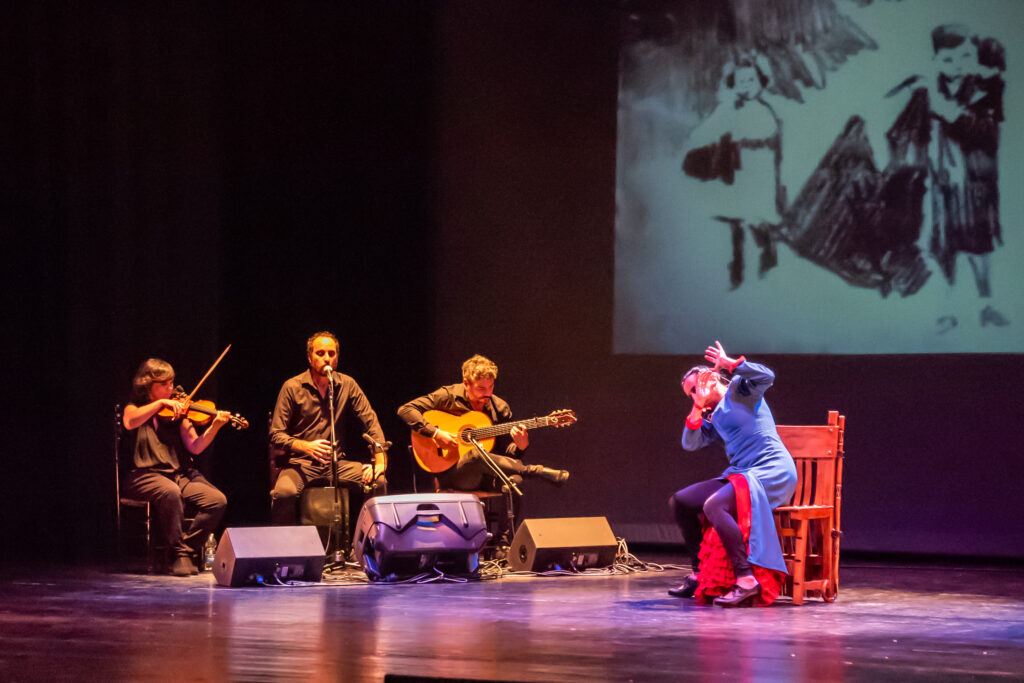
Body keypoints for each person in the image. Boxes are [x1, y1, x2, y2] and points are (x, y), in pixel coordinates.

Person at [886, 24, 1007, 331]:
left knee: (980, 247)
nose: (957, 65)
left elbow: (986, 135)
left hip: (976, 183)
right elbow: (900, 128)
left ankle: (987, 306)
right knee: (945, 246)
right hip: (940, 184)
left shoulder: (988, 88)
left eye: (964, 57)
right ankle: (947, 310)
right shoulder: (925, 88)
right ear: (936, 59)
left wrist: (941, 109)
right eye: (948, 59)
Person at [668, 341, 796, 607]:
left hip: (771, 470)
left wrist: (732, 364)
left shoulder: (741, 390)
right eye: (689, 393)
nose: (694, 395)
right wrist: (697, 406)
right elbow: (690, 443)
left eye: (695, 388)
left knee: (714, 504)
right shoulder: (714, 415)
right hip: (742, 473)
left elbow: (767, 376)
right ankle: (698, 573)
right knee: (680, 501)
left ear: (711, 378)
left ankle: (746, 580)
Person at [397, 354, 569, 493]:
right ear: (466, 384)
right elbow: (406, 410)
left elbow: (507, 455)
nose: (487, 394)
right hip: (452, 473)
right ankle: (535, 471)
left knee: (514, 482)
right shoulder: (448, 396)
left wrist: (520, 446)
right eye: (481, 388)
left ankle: (503, 536)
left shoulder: (500, 407)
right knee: (476, 453)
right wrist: (435, 433)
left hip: (486, 475)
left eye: (491, 387)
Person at [269, 331, 388, 532]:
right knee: (284, 493)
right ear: (310, 357)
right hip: (301, 464)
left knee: (379, 482)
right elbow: (276, 434)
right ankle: (286, 552)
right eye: (321, 353)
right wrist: (305, 446)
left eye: (331, 354)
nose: (327, 358)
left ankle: (363, 547)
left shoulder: (347, 384)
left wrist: (380, 462)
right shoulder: (292, 386)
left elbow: (370, 421)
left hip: (336, 463)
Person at [121, 358, 229, 576]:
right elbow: (129, 422)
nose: (171, 389)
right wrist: (161, 404)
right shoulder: (135, 408)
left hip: (178, 474)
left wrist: (215, 427)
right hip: (143, 475)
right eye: (164, 384)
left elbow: (195, 447)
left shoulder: (179, 414)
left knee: (217, 500)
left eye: (172, 383)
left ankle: (185, 549)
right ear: (147, 385)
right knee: (170, 492)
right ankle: (179, 552)